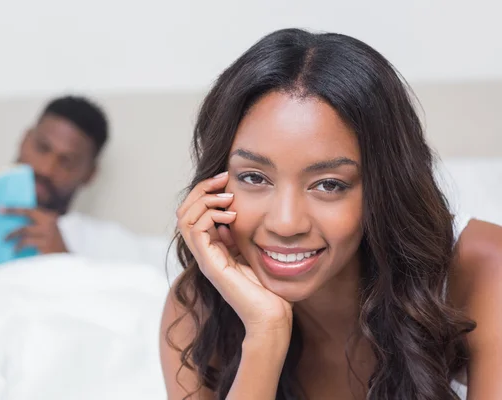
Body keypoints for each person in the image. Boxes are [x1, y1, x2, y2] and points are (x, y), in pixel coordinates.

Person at [160, 28, 502, 399]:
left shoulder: (483, 269)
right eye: (254, 177)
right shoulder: (197, 311)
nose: (285, 223)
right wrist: (265, 334)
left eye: (328, 185)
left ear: (382, 189)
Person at [0, 95, 151, 264]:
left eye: (66, 162)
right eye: (42, 148)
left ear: (90, 174)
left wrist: (63, 259)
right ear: (24, 140)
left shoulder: (109, 246)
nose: (46, 170)